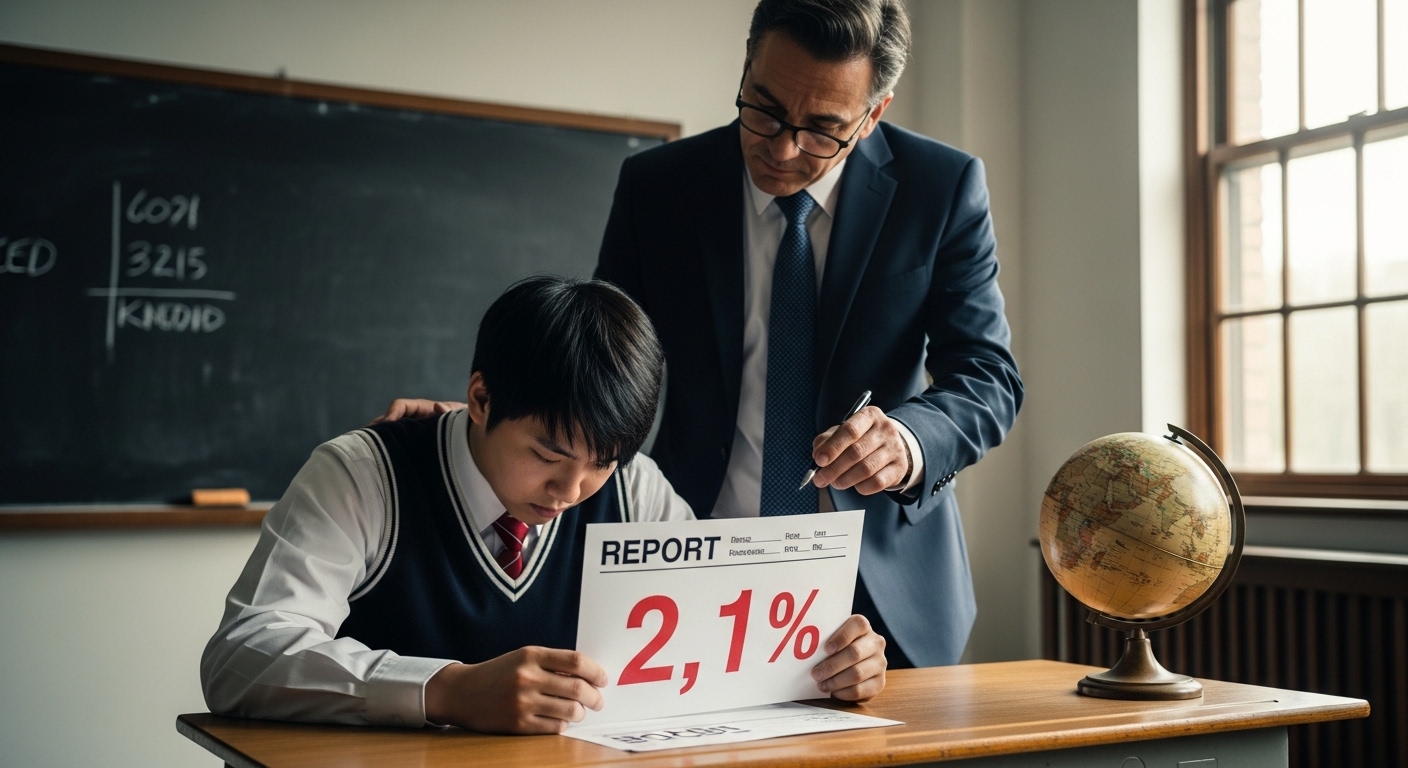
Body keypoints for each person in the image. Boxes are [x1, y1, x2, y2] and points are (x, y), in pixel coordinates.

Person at [382, 0, 1022, 669]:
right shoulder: (659, 186)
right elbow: (599, 360)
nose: (780, 149)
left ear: (873, 115)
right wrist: (492, 417)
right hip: (690, 560)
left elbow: (988, 377)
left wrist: (910, 440)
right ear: (747, 65)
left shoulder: (939, 188)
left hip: (881, 581)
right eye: (764, 108)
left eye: (822, 131)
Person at [201, 276, 889, 735]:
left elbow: (710, 652)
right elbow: (241, 656)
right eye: (549, 456)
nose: (572, 491)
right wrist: (444, 690)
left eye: (602, 461)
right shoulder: (361, 476)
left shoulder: (634, 488)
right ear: (479, 399)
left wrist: (820, 666)